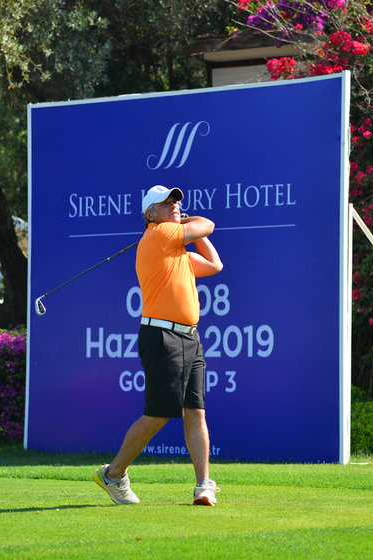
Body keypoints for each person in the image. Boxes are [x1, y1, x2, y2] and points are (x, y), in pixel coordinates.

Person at [94, 184, 224, 506]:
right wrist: (186, 223)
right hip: (163, 337)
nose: (174, 206)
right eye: (166, 204)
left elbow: (215, 265)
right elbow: (207, 224)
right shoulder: (160, 234)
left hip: (190, 338)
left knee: (195, 411)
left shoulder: (176, 251)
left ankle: (203, 485)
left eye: (176, 202)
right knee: (158, 414)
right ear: (150, 214)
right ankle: (113, 474)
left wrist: (186, 228)